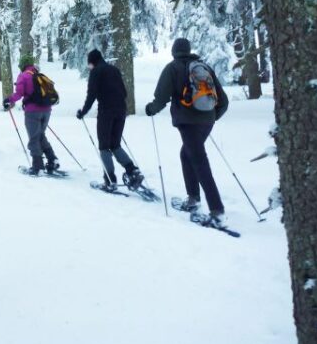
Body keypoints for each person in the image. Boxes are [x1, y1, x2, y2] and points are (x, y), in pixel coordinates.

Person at [145, 38, 229, 226]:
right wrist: (211, 117)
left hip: (188, 123)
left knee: (199, 161)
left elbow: (161, 98)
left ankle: (217, 211)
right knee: (186, 155)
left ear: (174, 51)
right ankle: (193, 199)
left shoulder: (172, 68)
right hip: (206, 122)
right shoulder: (203, 67)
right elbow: (224, 101)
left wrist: (150, 109)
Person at [76, 49, 144, 190]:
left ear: (92, 61)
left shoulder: (96, 72)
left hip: (106, 112)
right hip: (121, 111)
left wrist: (83, 112)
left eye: (89, 64)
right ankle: (132, 170)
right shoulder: (114, 69)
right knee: (115, 144)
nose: (89, 66)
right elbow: (124, 92)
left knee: (104, 146)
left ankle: (110, 180)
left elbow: (92, 94)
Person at [3, 55, 60, 175]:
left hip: (33, 111)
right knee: (40, 135)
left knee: (34, 138)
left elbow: (19, 94)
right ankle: (52, 159)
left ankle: (37, 166)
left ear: (22, 65)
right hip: (47, 110)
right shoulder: (40, 75)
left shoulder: (23, 76)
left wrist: (8, 100)